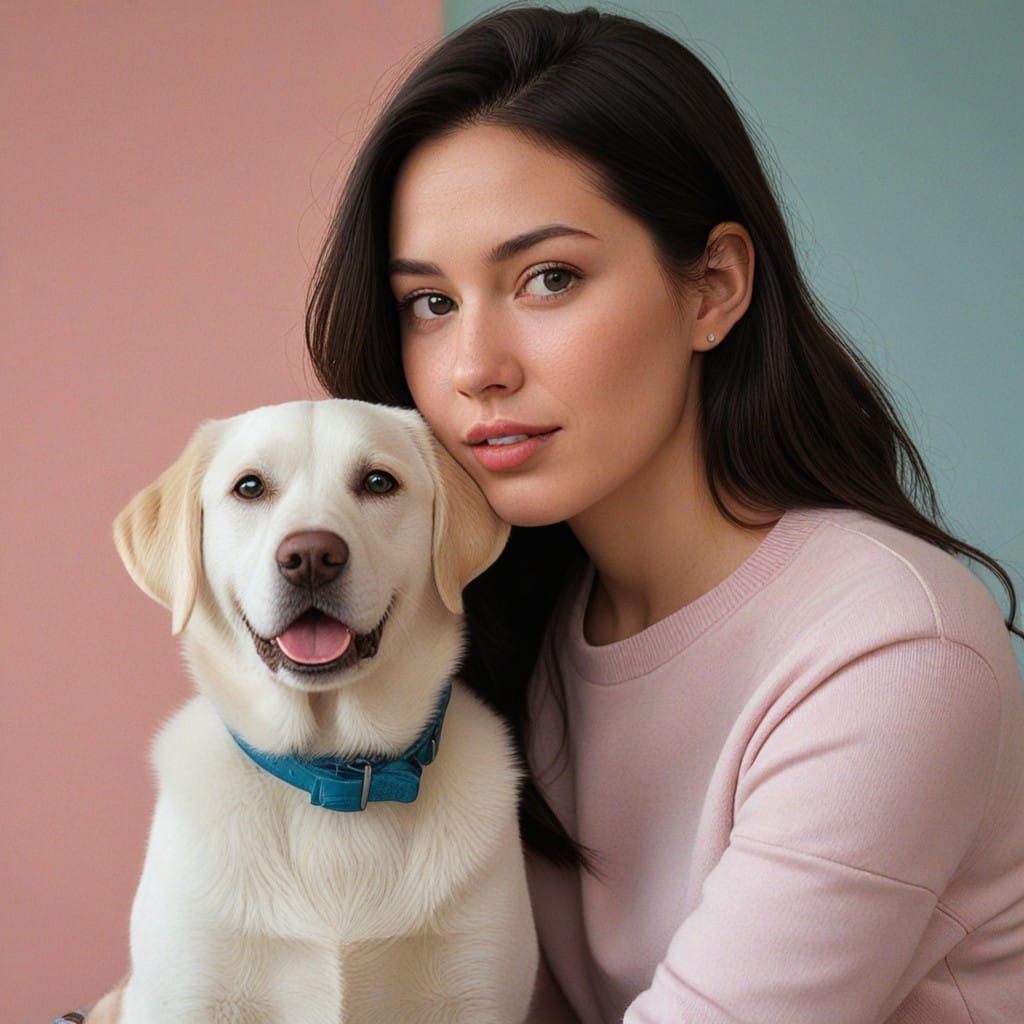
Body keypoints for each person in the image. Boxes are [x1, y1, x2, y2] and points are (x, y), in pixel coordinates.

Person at [60, 4, 1024, 1022]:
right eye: (431, 302)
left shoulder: (885, 649)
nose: (476, 367)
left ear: (713, 288)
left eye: (548, 278)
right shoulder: (498, 633)